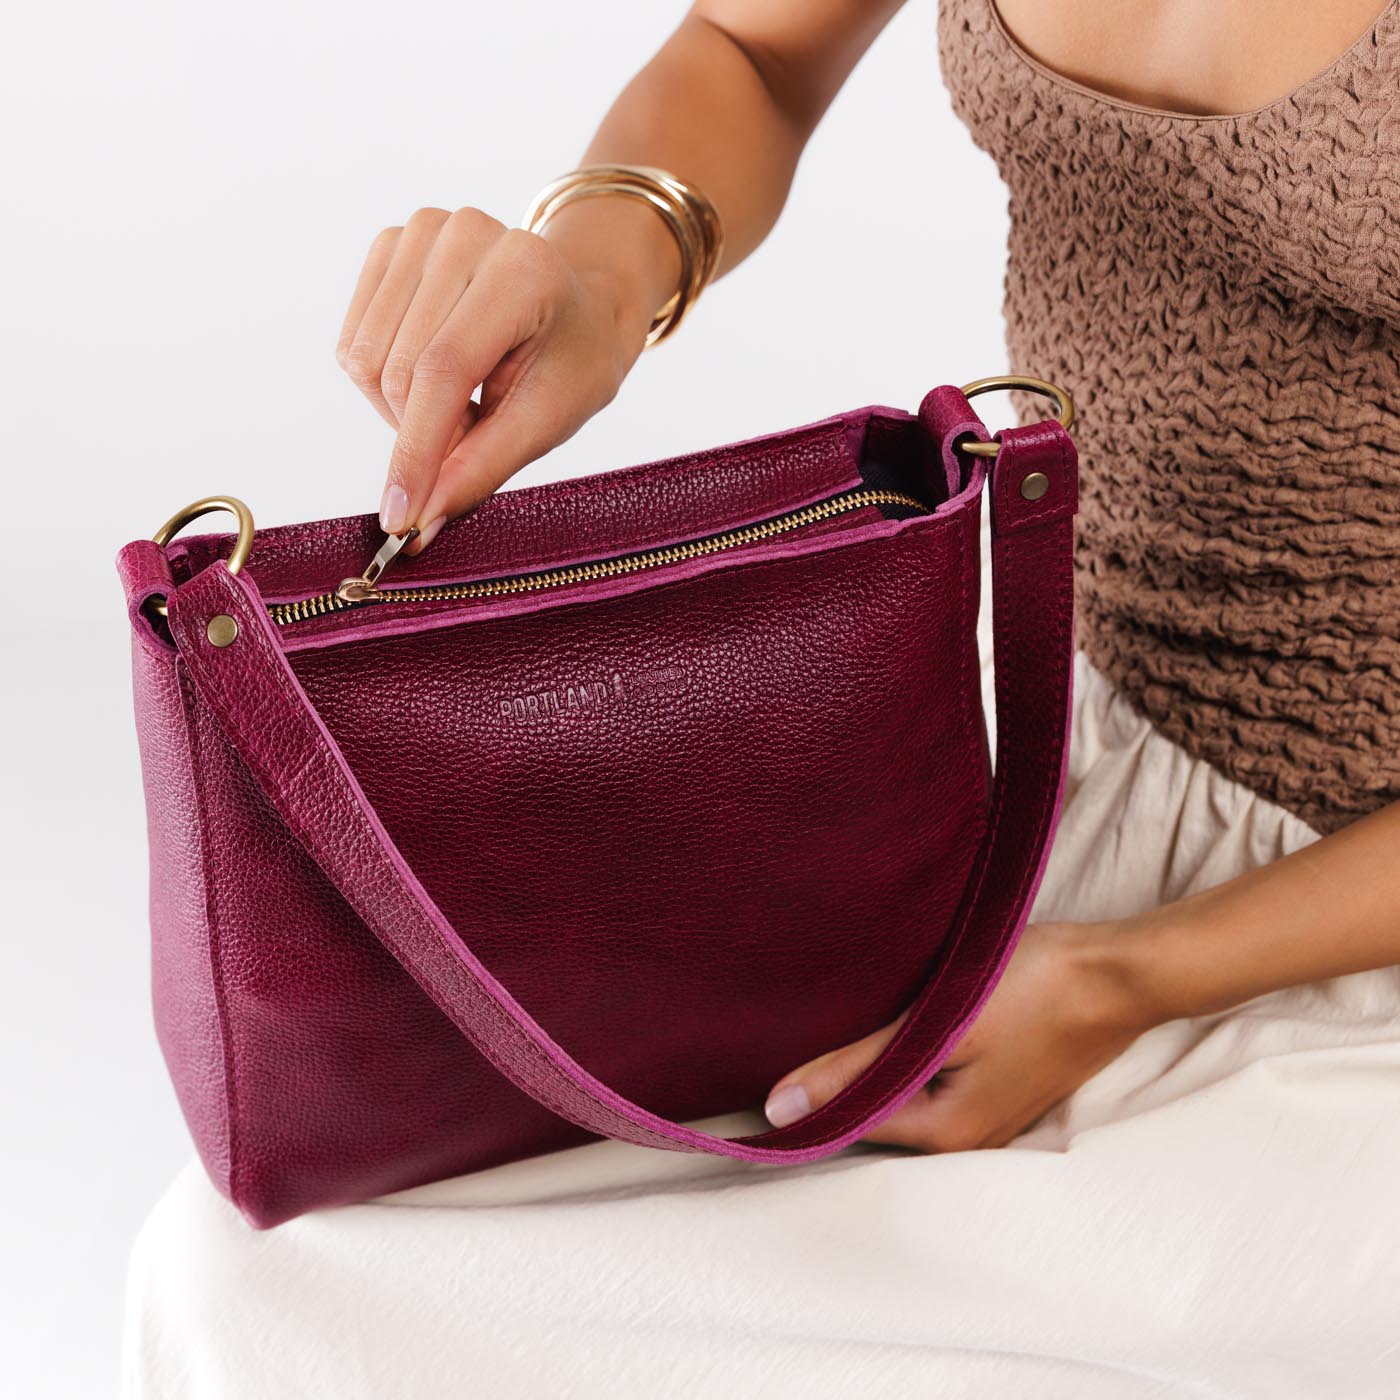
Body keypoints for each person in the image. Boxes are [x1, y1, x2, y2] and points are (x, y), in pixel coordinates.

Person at [124, 2, 1400, 1395]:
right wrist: (603, 270)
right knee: (265, 1285)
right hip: (1066, 755)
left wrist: (1131, 977)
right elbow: (752, 49)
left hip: (1341, 931)